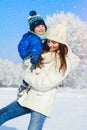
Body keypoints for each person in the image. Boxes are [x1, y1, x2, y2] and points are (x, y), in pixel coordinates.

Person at [0, 22, 80, 130]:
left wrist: (26, 75)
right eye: (49, 41)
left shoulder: (63, 62)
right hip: (29, 97)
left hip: (41, 103)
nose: (50, 44)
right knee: (3, 114)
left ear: (61, 43)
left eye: (54, 42)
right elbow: (29, 68)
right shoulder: (43, 54)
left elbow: (44, 85)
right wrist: (27, 63)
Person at [17, 10, 47, 98]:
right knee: (29, 76)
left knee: (39, 78)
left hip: (42, 62)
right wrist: (26, 57)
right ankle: (23, 88)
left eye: (42, 26)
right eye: (38, 27)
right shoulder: (29, 36)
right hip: (31, 61)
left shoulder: (47, 38)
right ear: (32, 28)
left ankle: (37, 93)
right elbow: (21, 47)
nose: (41, 28)